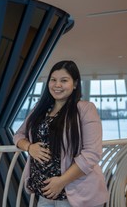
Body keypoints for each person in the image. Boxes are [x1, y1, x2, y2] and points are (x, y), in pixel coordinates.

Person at [13, 60, 109, 207]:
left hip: (76, 193)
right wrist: (29, 147)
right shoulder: (39, 109)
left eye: (64, 80)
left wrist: (61, 181)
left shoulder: (85, 109)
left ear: (75, 84)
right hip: (45, 193)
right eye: (53, 80)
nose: (57, 85)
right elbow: (18, 135)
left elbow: (92, 154)